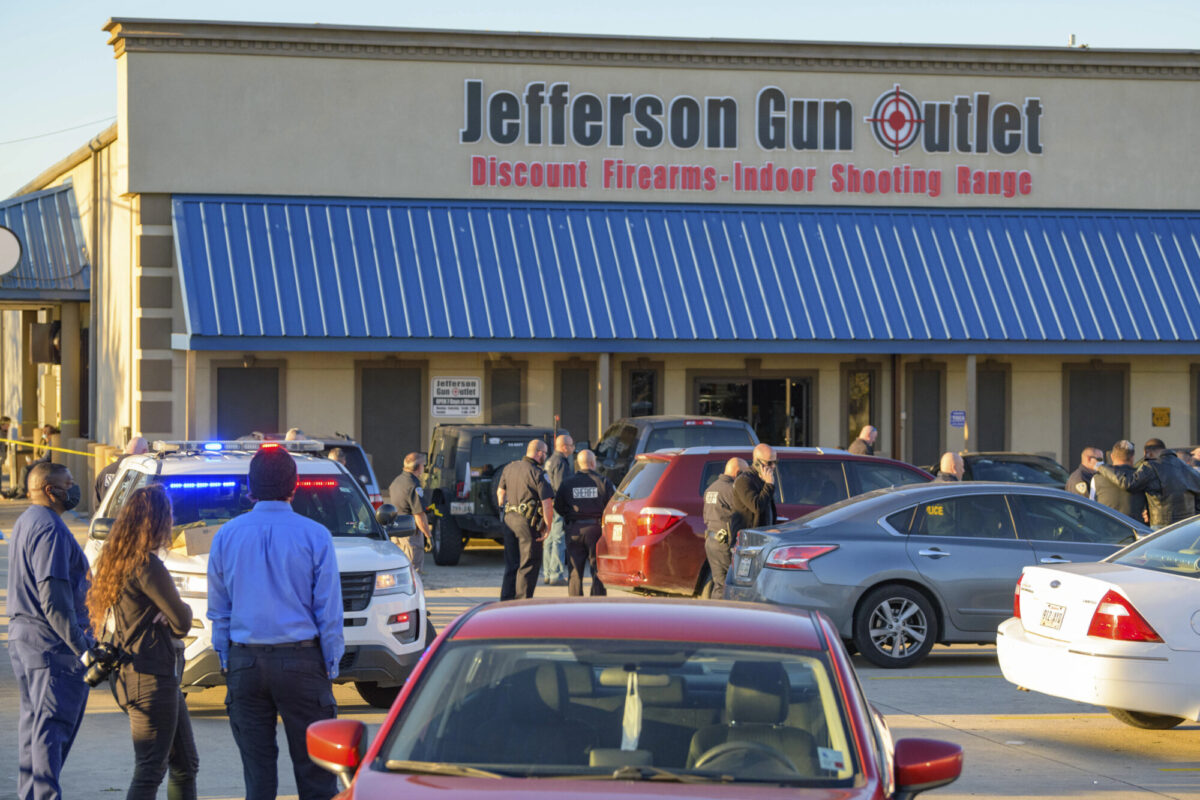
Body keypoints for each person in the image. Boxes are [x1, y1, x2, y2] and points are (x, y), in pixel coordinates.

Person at [207, 446, 343, 800]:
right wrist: (330, 663)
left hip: (245, 663)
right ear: (294, 485)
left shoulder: (226, 535)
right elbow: (328, 610)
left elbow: (219, 609)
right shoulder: (315, 535)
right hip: (301, 662)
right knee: (317, 775)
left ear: (249, 488)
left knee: (258, 777)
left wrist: (226, 659)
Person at [86, 485, 198, 800]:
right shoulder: (147, 565)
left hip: (137, 675)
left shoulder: (115, 559)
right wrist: (177, 609)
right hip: (149, 679)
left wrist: (164, 611)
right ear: (158, 521)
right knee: (151, 770)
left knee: (186, 764)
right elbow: (182, 622)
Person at [7, 462, 92, 800]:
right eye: (68, 483)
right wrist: (83, 648)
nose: (73, 489)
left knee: (35, 730)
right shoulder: (50, 530)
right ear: (49, 489)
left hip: (28, 642)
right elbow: (55, 601)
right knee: (50, 732)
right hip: (51, 649)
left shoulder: (28, 520)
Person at [1095, 438, 1200, 530]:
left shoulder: (1151, 466)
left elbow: (1128, 483)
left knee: (1160, 553)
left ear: (1147, 453)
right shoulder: (1188, 469)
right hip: (1187, 525)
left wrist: (1102, 467)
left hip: (1161, 525)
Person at [496, 438, 553, 601]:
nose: (546, 458)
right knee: (528, 564)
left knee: (511, 563)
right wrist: (548, 526)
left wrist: (505, 510)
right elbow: (547, 502)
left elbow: (500, 494)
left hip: (509, 520)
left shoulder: (509, 467)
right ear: (539, 453)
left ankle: (506, 600)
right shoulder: (537, 473)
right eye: (545, 454)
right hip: (527, 523)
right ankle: (522, 603)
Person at [554, 448, 615, 597]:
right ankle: (598, 601)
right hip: (595, 529)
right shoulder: (603, 481)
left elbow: (558, 506)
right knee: (597, 568)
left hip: (574, 529)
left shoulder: (567, 483)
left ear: (578, 464)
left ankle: (575, 604)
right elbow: (613, 505)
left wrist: (571, 516)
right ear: (593, 463)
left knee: (575, 570)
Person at [703, 457, 748, 600]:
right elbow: (743, 514)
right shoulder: (731, 491)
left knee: (718, 583)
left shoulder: (711, 488)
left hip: (711, 541)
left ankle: (713, 616)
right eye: (745, 474)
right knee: (727, 586)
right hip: (725, 543)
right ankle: (719, 618)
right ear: (738, 472)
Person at [388, 452, 432, 574]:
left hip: (396, 531)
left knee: (398, 570)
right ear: (418, 467)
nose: (424, 468)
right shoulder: (413, 485)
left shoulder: (396, 481)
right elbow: (419, 515)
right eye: (423, 465)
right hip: (410, 534)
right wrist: (428, 536)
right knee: (413, 572)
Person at [540, 434, 575, 587]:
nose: (573, 448)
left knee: (549, 538)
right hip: (557, 505)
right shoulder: (561, 462)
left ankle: (548, 573)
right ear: (564, 446)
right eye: (572, 445)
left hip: (548, 503)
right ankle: (556, 574)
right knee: (559, 539)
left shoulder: (550, 461)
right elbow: (562, 487)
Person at [1092, 440, 1147, 523]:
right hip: (1134, 530)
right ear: (1132, 457)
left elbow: (1092, 508)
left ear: (1111, 456)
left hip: (1105, 530)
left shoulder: (1096, 479)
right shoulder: (1141, 477)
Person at [730, 444, 777, 540]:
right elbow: (756, 506)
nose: (773, 466)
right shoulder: (744, 480)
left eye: (775, 462)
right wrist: (769, 485)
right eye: (769, 463)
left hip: (762, 538)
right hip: (747, 541)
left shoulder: (763, 479)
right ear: (757, 462)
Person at [95, 436, 150, 505]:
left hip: (105, 515)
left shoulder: (105, 472)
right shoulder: (141, 474)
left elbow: (97, 505)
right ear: (144, 451)